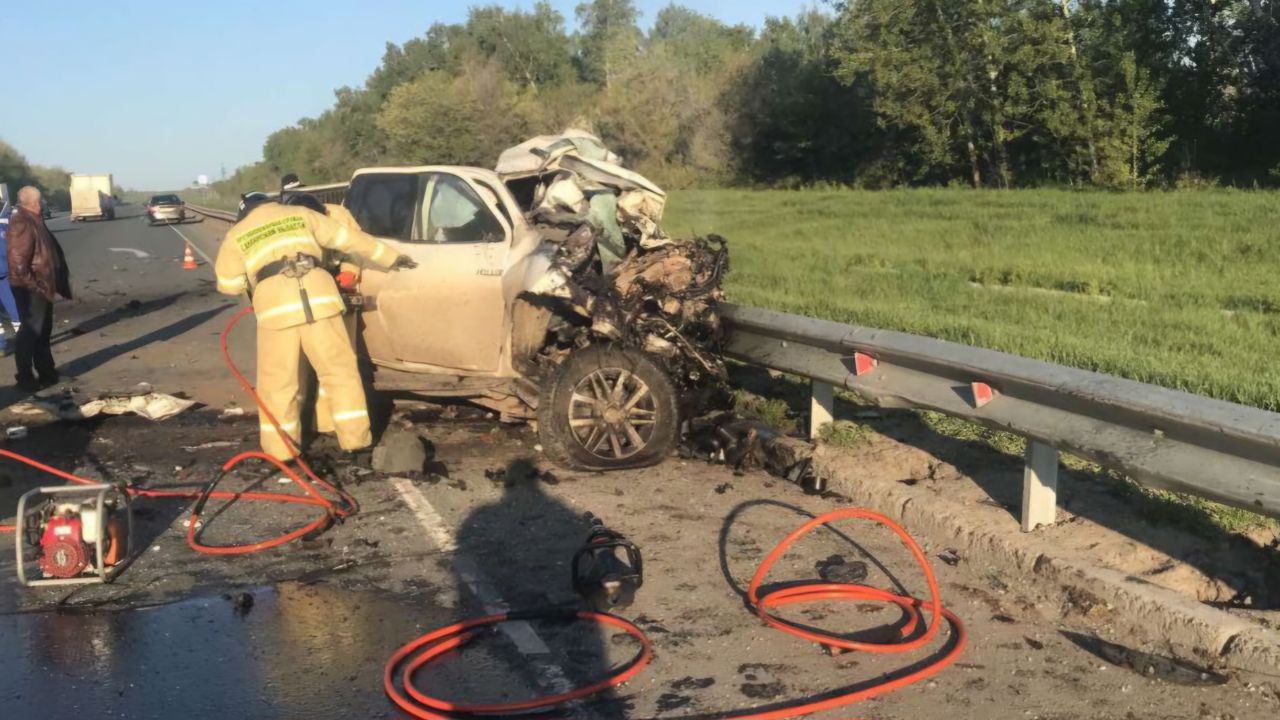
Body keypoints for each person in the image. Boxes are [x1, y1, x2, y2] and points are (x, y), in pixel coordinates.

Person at [214, 193, 415, 461]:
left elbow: (228, 284)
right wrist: (392, 257)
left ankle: (281, 451)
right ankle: (356, 440)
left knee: (278, 382)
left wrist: (252, 278)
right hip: (321, 298)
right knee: (339, 371)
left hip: (276, 308)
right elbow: (349, 239)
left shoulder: (237, 234)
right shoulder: (300, 213)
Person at [7, 186, 70, 392]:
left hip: (41, 287)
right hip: (32, 289)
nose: (42, 204)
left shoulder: (34, 219)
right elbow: (17, 265)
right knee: (30, 333)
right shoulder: (22, 222)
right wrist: (37, 287)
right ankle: (24, 377)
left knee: (43, 332)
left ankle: (47, 373)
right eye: (41, 200)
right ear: (35, 202)